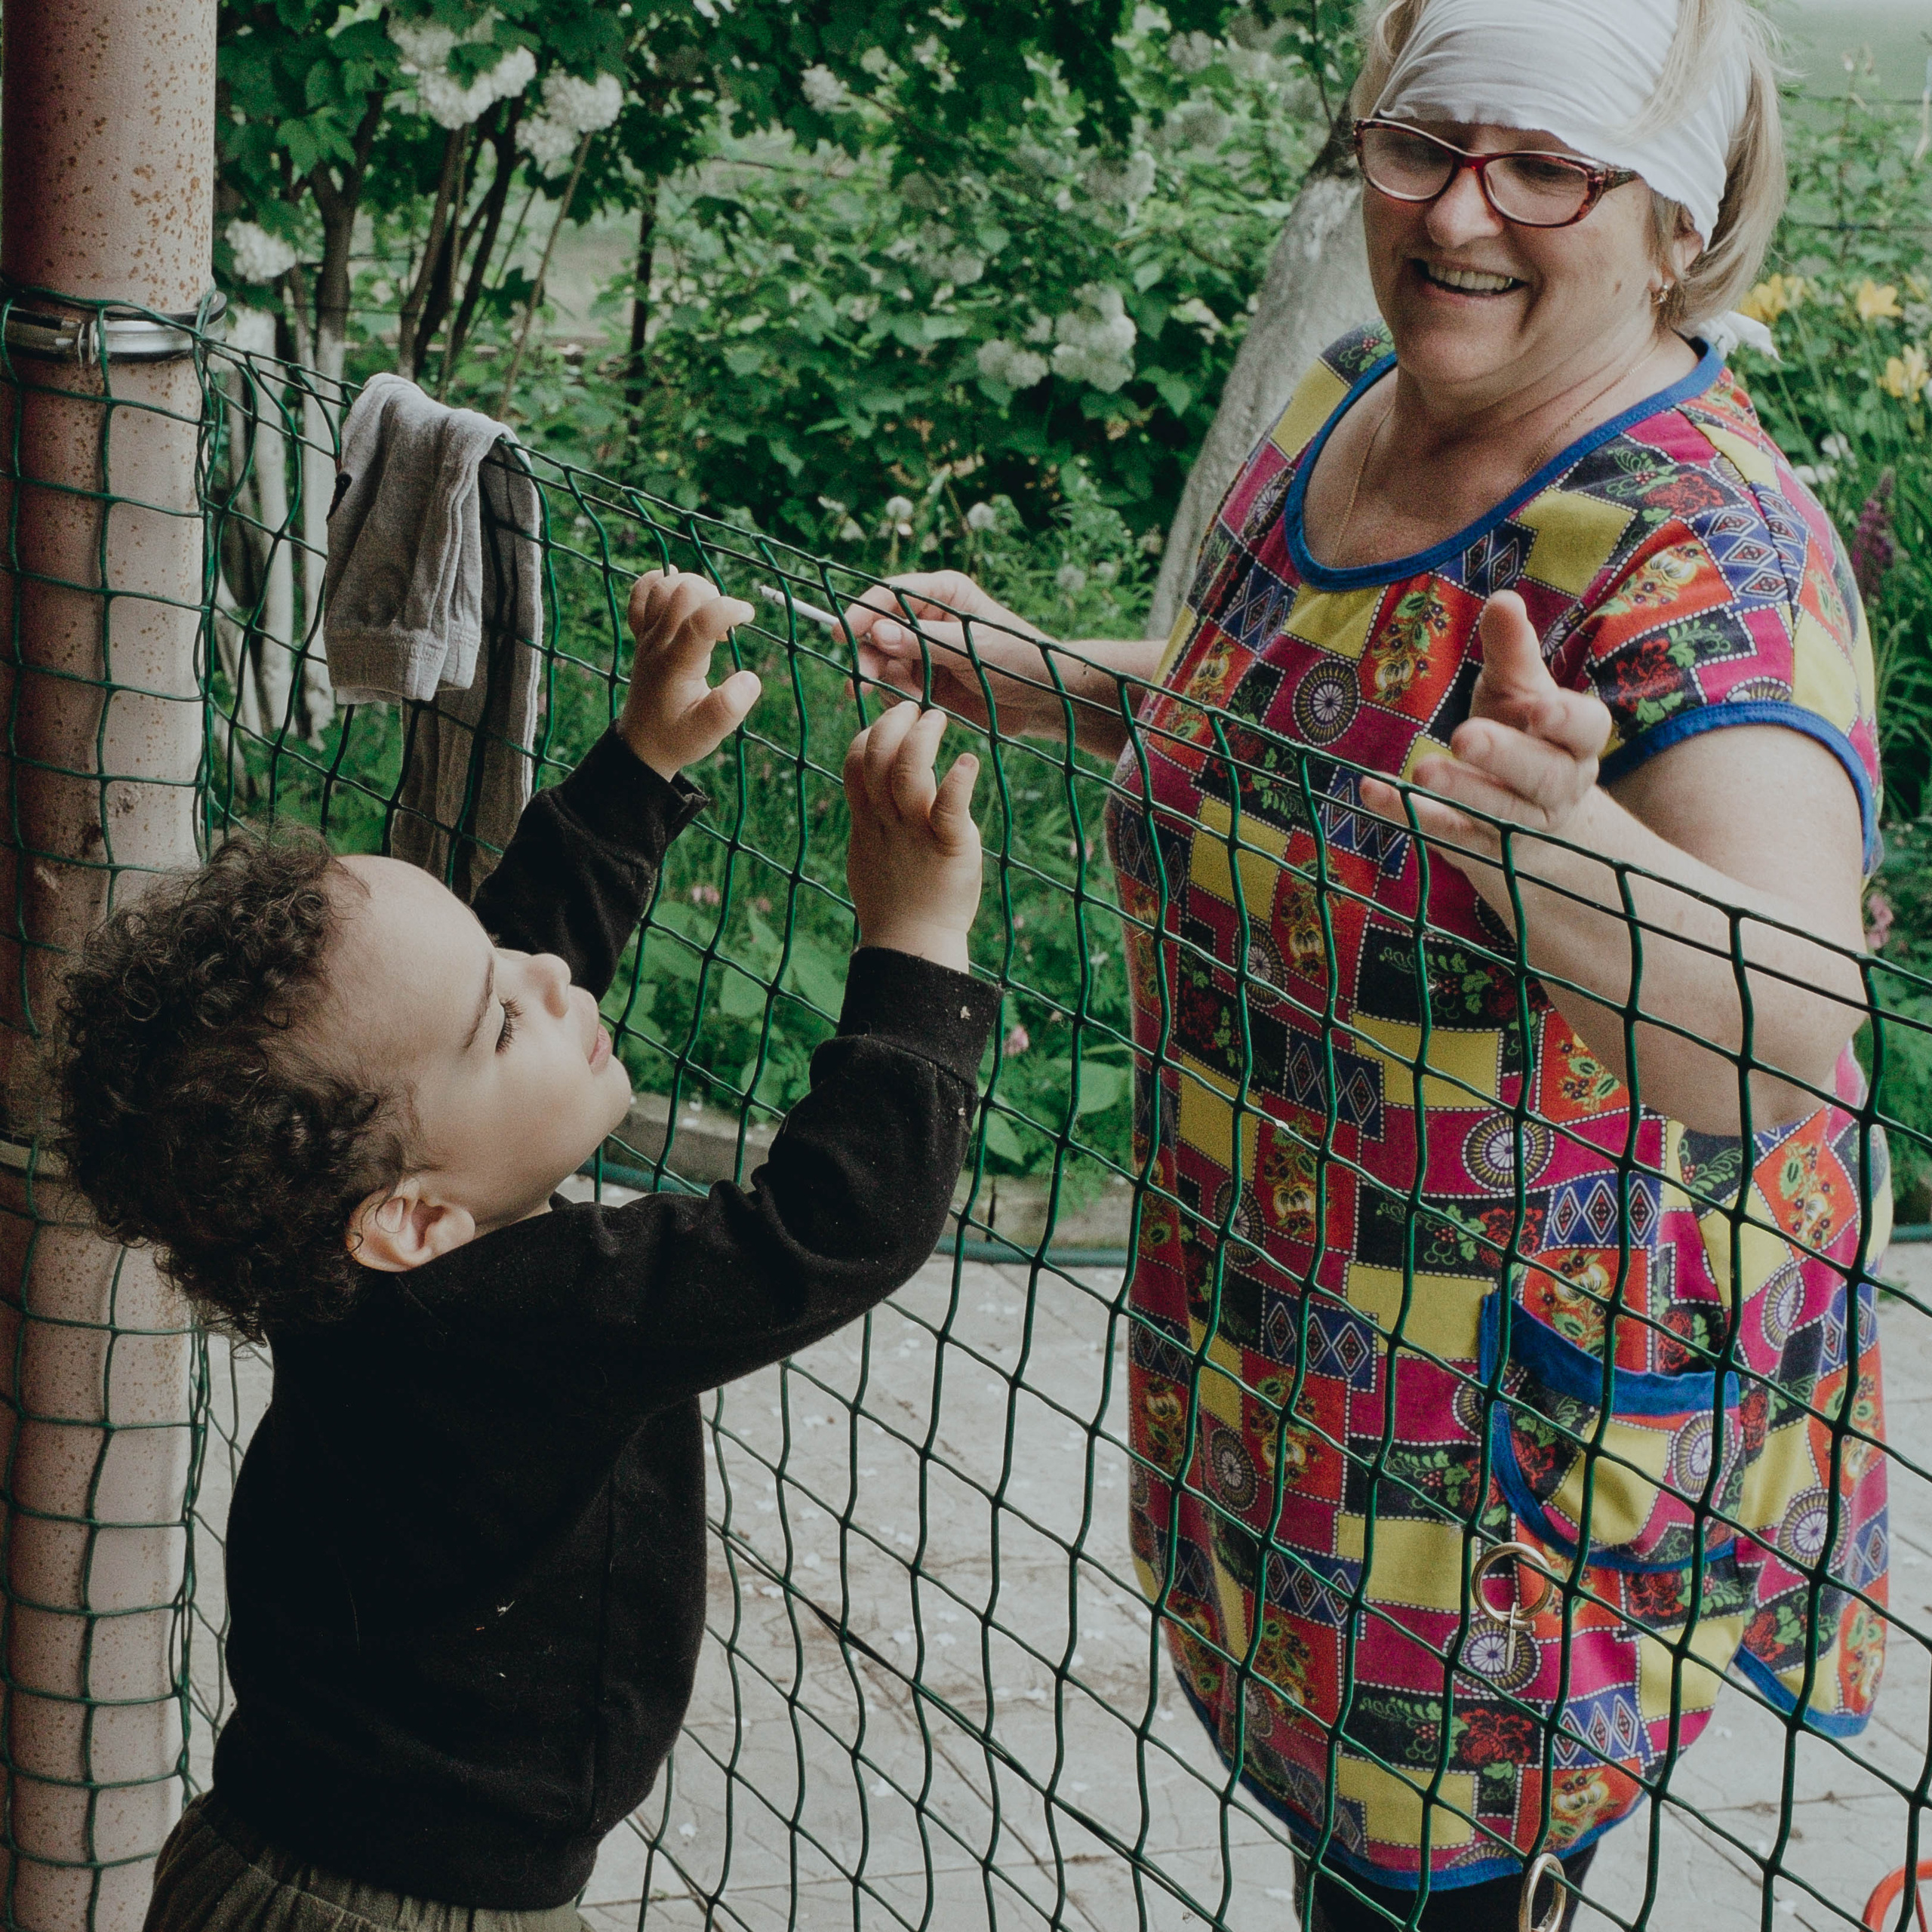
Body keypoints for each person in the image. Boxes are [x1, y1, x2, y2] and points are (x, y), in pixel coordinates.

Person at [845, 0, 1888, 1924]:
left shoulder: (1705, 553)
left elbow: (1775, 1028)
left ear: (1678, 217)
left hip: (1499, 1460)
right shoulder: (1349, 397)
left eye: (1545, 164)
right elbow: (1286, 701)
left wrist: (1562, 841)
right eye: (1420, 144)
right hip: (1284, 1353)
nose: (1456, 214)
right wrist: (1059, 680)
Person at [58, 568, 998, 1932]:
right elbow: (829, 1230)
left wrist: (639, 765)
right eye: (506, 1021)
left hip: (257, 1856)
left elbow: (513, 949)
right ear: (414, 1217)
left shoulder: (343, 1236)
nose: (550, 981)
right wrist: (915, 939)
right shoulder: (531, 1314)